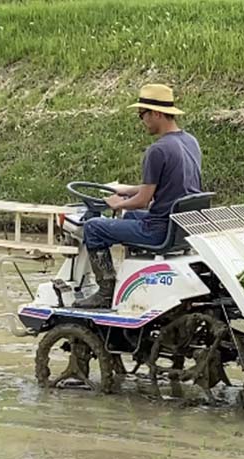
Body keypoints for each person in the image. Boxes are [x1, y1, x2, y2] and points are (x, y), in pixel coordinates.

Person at [74, 84, 203, 309]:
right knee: (131, 217)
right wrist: (127, 190)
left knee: (94, 227)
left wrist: (116, 202)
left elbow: (144, 200)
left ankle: (105, 292)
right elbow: (166, 185)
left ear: (156, 113)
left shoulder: (157, 150)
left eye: (141, 115)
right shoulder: (189, 142)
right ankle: (128, 278)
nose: (141, 121)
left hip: (158, 230)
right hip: (179, 227)